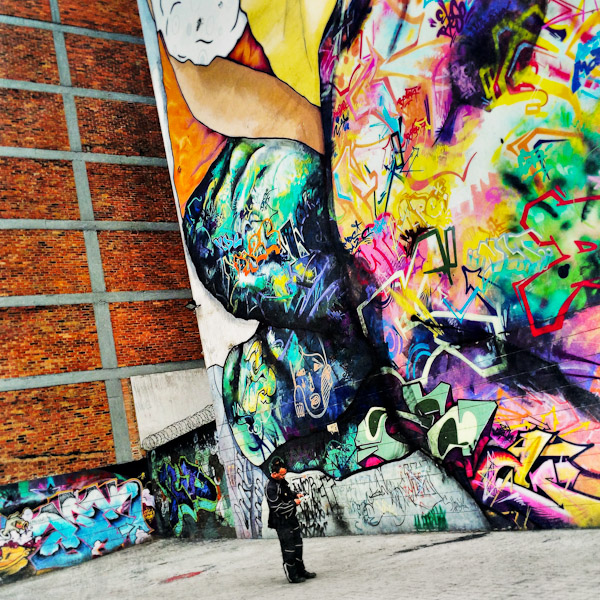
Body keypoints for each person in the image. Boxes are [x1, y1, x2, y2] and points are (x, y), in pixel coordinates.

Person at [265, 457, 316, 584]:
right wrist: (294, 503)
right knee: (289, 548)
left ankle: (301, 570)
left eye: (284, 474)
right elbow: (276, 507)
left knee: (298, 545)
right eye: (281, 474)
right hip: (281, 522)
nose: (284, 476)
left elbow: (287, 493)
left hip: (291, 518)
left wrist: (296, 495)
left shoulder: (282, 482)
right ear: (274, 474)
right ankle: (292, 575)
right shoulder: (270, 487)